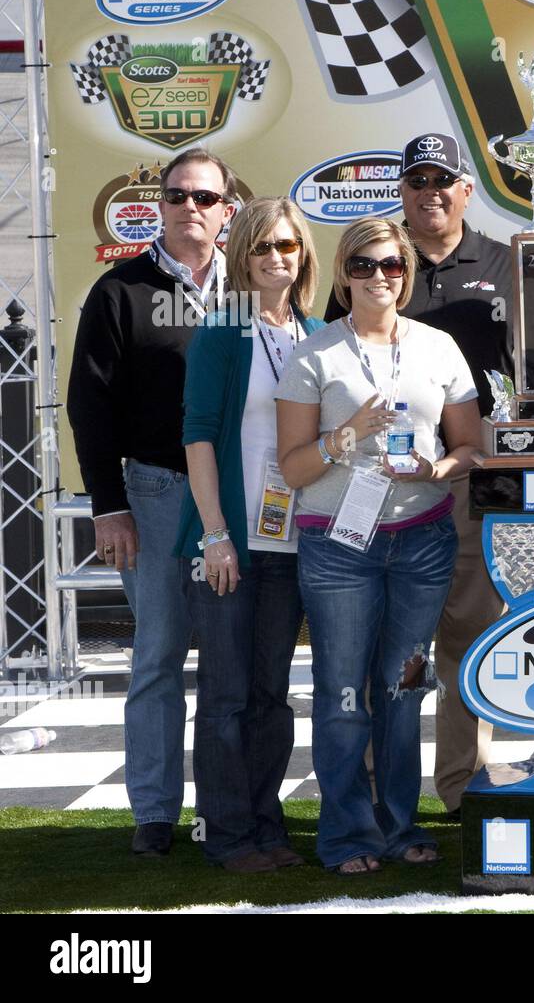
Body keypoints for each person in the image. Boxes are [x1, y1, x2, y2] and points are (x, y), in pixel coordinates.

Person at [276, 217, 479, 874]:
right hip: (337, 546)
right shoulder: (314, 355)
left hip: (422, 541)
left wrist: (437, 471)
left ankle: (397, 827)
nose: (378, 277)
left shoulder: (439, 347)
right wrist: (346, 435)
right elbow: (293, 469)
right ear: (342, 273)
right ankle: (346, 837)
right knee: (342, 691)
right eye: (363, 265)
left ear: (406, 274)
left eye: (391, 265)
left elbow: (471, 447)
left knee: (403, 688)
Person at [325, 132, 511, 817]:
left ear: (467, 189)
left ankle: (460, 791)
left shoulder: (505, 262)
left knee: (466, 640)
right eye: (416, 182)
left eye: (443, 181)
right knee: (385, 646)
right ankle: (377, 790)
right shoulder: (374, 258)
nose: (430, 193)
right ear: (400, 191)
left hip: (467, 477)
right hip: (373, 487)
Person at [67, 147, 236, 857]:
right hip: (158, 494)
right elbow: (89, 405)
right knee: (160, 654)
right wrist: (110, 505)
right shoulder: (121, 289)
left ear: (228, 209)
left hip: (243, 501)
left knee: (236, 662)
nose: (189, 207)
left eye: (204, 197)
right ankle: (157, 814)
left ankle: (232, 809)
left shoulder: (256, 285)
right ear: (158, 205)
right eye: (176, 196)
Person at [174, 198, 324, 872]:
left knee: (270, 694)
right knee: (227, 694)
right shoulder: (221, 329)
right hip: (231, 541)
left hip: (296, 543)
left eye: (287, 247)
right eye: (262, 247)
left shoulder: (318, 332)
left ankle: (267, 825)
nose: (275, 259)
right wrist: (214, 536)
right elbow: (199, 434)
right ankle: (228, 835)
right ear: (242, 256)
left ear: (303, 256)